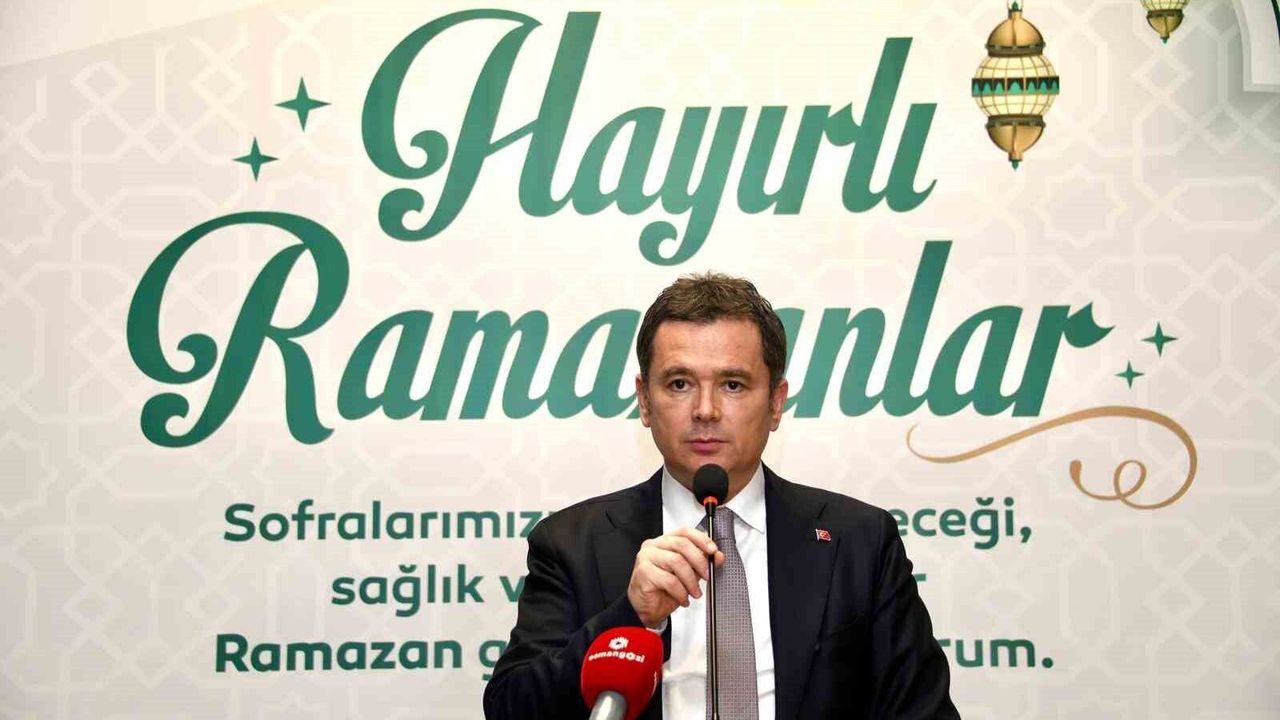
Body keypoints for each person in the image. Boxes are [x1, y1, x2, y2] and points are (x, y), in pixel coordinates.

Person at [483, 273, 959, 719]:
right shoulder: (572, 543)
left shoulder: (859, 541)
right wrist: (631, 616)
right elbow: (511, 708)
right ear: (645, 401)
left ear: (776, 402)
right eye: (679, 384)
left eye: (733, 384)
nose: (705, 410)